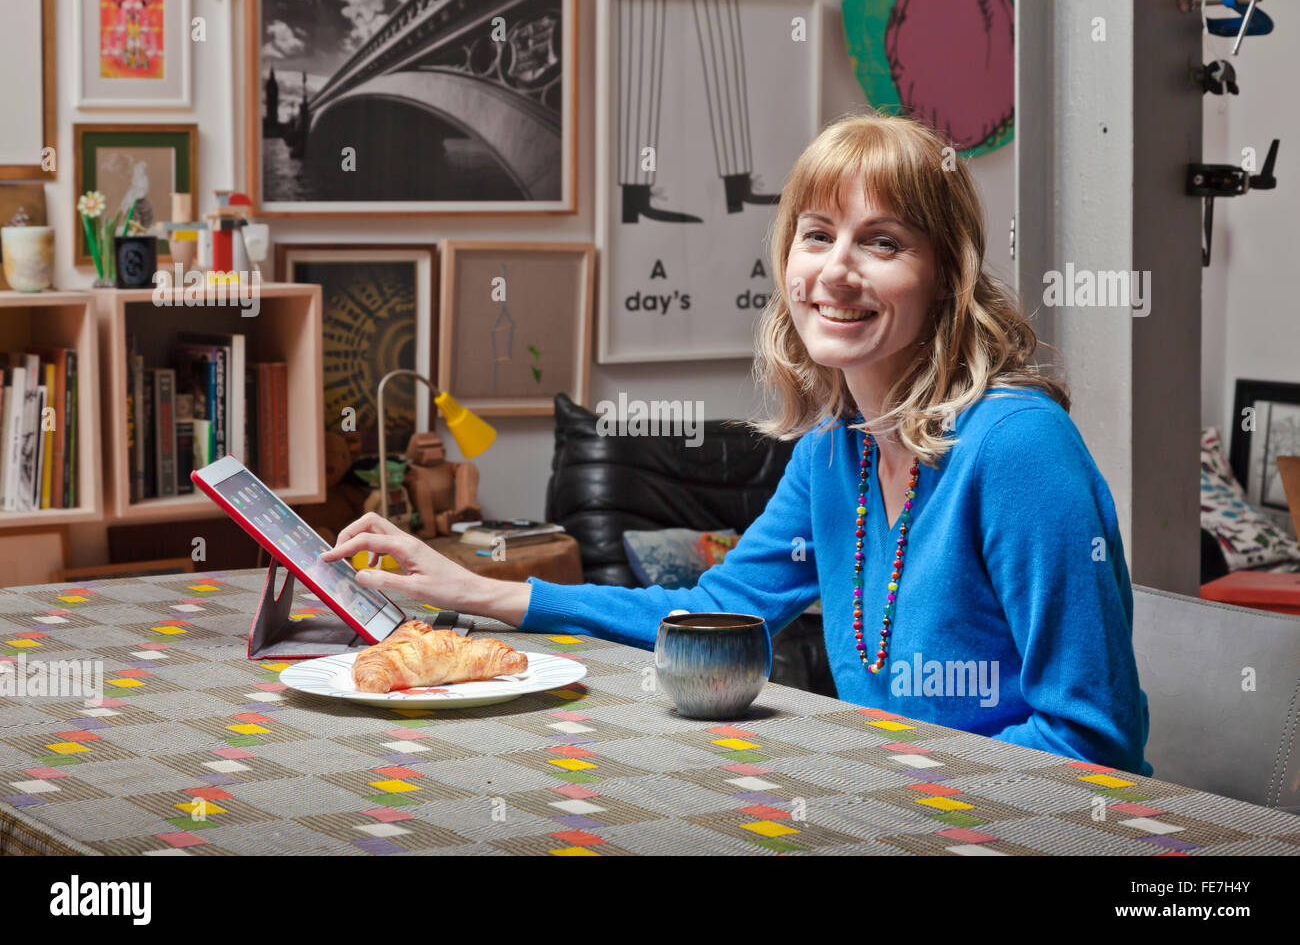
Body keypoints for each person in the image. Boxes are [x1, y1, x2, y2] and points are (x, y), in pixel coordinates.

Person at [320, 112, 1152, 777]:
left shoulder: (1019, 449)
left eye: (884, 242)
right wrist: (487, 593)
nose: (836, 271)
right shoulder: (835, 451)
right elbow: (719, 615)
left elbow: (1093, 746)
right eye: (817, 234)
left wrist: (887, 792)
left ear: (947, 275)